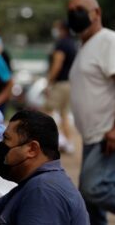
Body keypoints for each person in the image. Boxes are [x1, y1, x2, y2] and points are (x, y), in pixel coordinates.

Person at [67, 0, 115, 225]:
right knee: (90, 203)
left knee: (94, 188)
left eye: (78, 9)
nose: (72, 14)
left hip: (106, 133)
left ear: (96, 13)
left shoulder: (108, 40)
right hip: (91, 135)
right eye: (70, 10)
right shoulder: (85, 46)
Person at [45, 20, 77, 153]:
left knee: (48, 111)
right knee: (64, 114)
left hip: (60, 83)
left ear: (62, 29)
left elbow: (57, 64)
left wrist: (49, 81)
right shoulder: (73, 44)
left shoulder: (61, 44)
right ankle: (68, 142)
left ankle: (55, 141)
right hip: (70, 83)